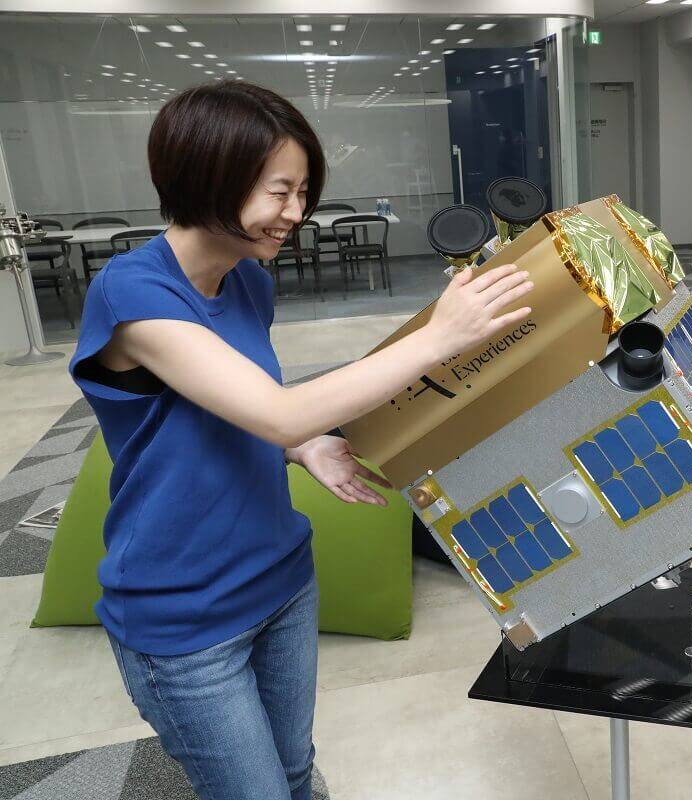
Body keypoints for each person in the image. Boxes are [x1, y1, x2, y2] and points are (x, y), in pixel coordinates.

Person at [68, 81, 534, 800]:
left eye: (304, 190)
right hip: (183, 618)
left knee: (294, 776)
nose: (298, 212)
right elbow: (277, 410)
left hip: (283, 580)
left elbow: (234, 411)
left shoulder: (247, 281)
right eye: (279, 191)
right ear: (206, 177)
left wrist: (302, 446)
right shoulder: (133, 296)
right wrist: (439, 339)